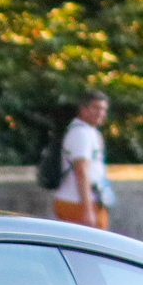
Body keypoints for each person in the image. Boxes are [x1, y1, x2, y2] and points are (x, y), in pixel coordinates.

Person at [55, 89, 113, 229]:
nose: (100, 113)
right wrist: (88, 210)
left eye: (103, 109)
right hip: (78, 203)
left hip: (84, 202)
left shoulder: (87, 131)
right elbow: (81, 171)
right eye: (96, 108)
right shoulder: (81, 134)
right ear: (83, 109)